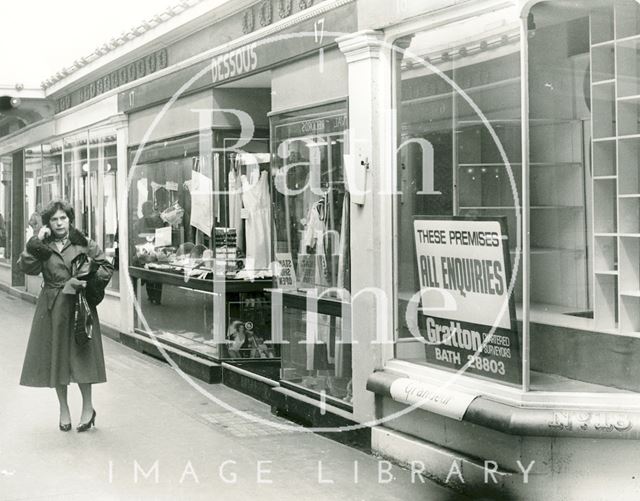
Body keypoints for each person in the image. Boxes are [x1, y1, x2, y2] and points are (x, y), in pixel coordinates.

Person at [18, 199, 113, 432]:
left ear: (69, 219)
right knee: (57, 357)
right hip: (52, 307)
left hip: (79, 306)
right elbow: (25, 266)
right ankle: (63, 409)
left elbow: (106, 266)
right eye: (54, 219)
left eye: (63, 218)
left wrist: (86, 283)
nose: (59, 223)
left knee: (82, 357)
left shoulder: (82, 243)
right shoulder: (43, 244)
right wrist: (36, 242)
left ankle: (88, 408)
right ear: (48, 223)